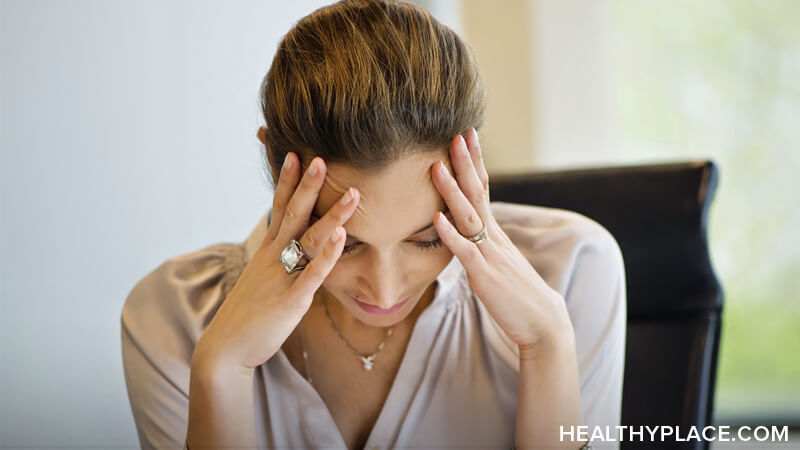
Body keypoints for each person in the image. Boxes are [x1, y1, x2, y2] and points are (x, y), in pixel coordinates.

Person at [120, 0, 626, 449]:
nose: (384, 292)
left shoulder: (572, 270)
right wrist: (222, 373)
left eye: (427, 238)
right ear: (281, 173)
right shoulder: (175, 317)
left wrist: (548, 346)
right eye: (344, 245)